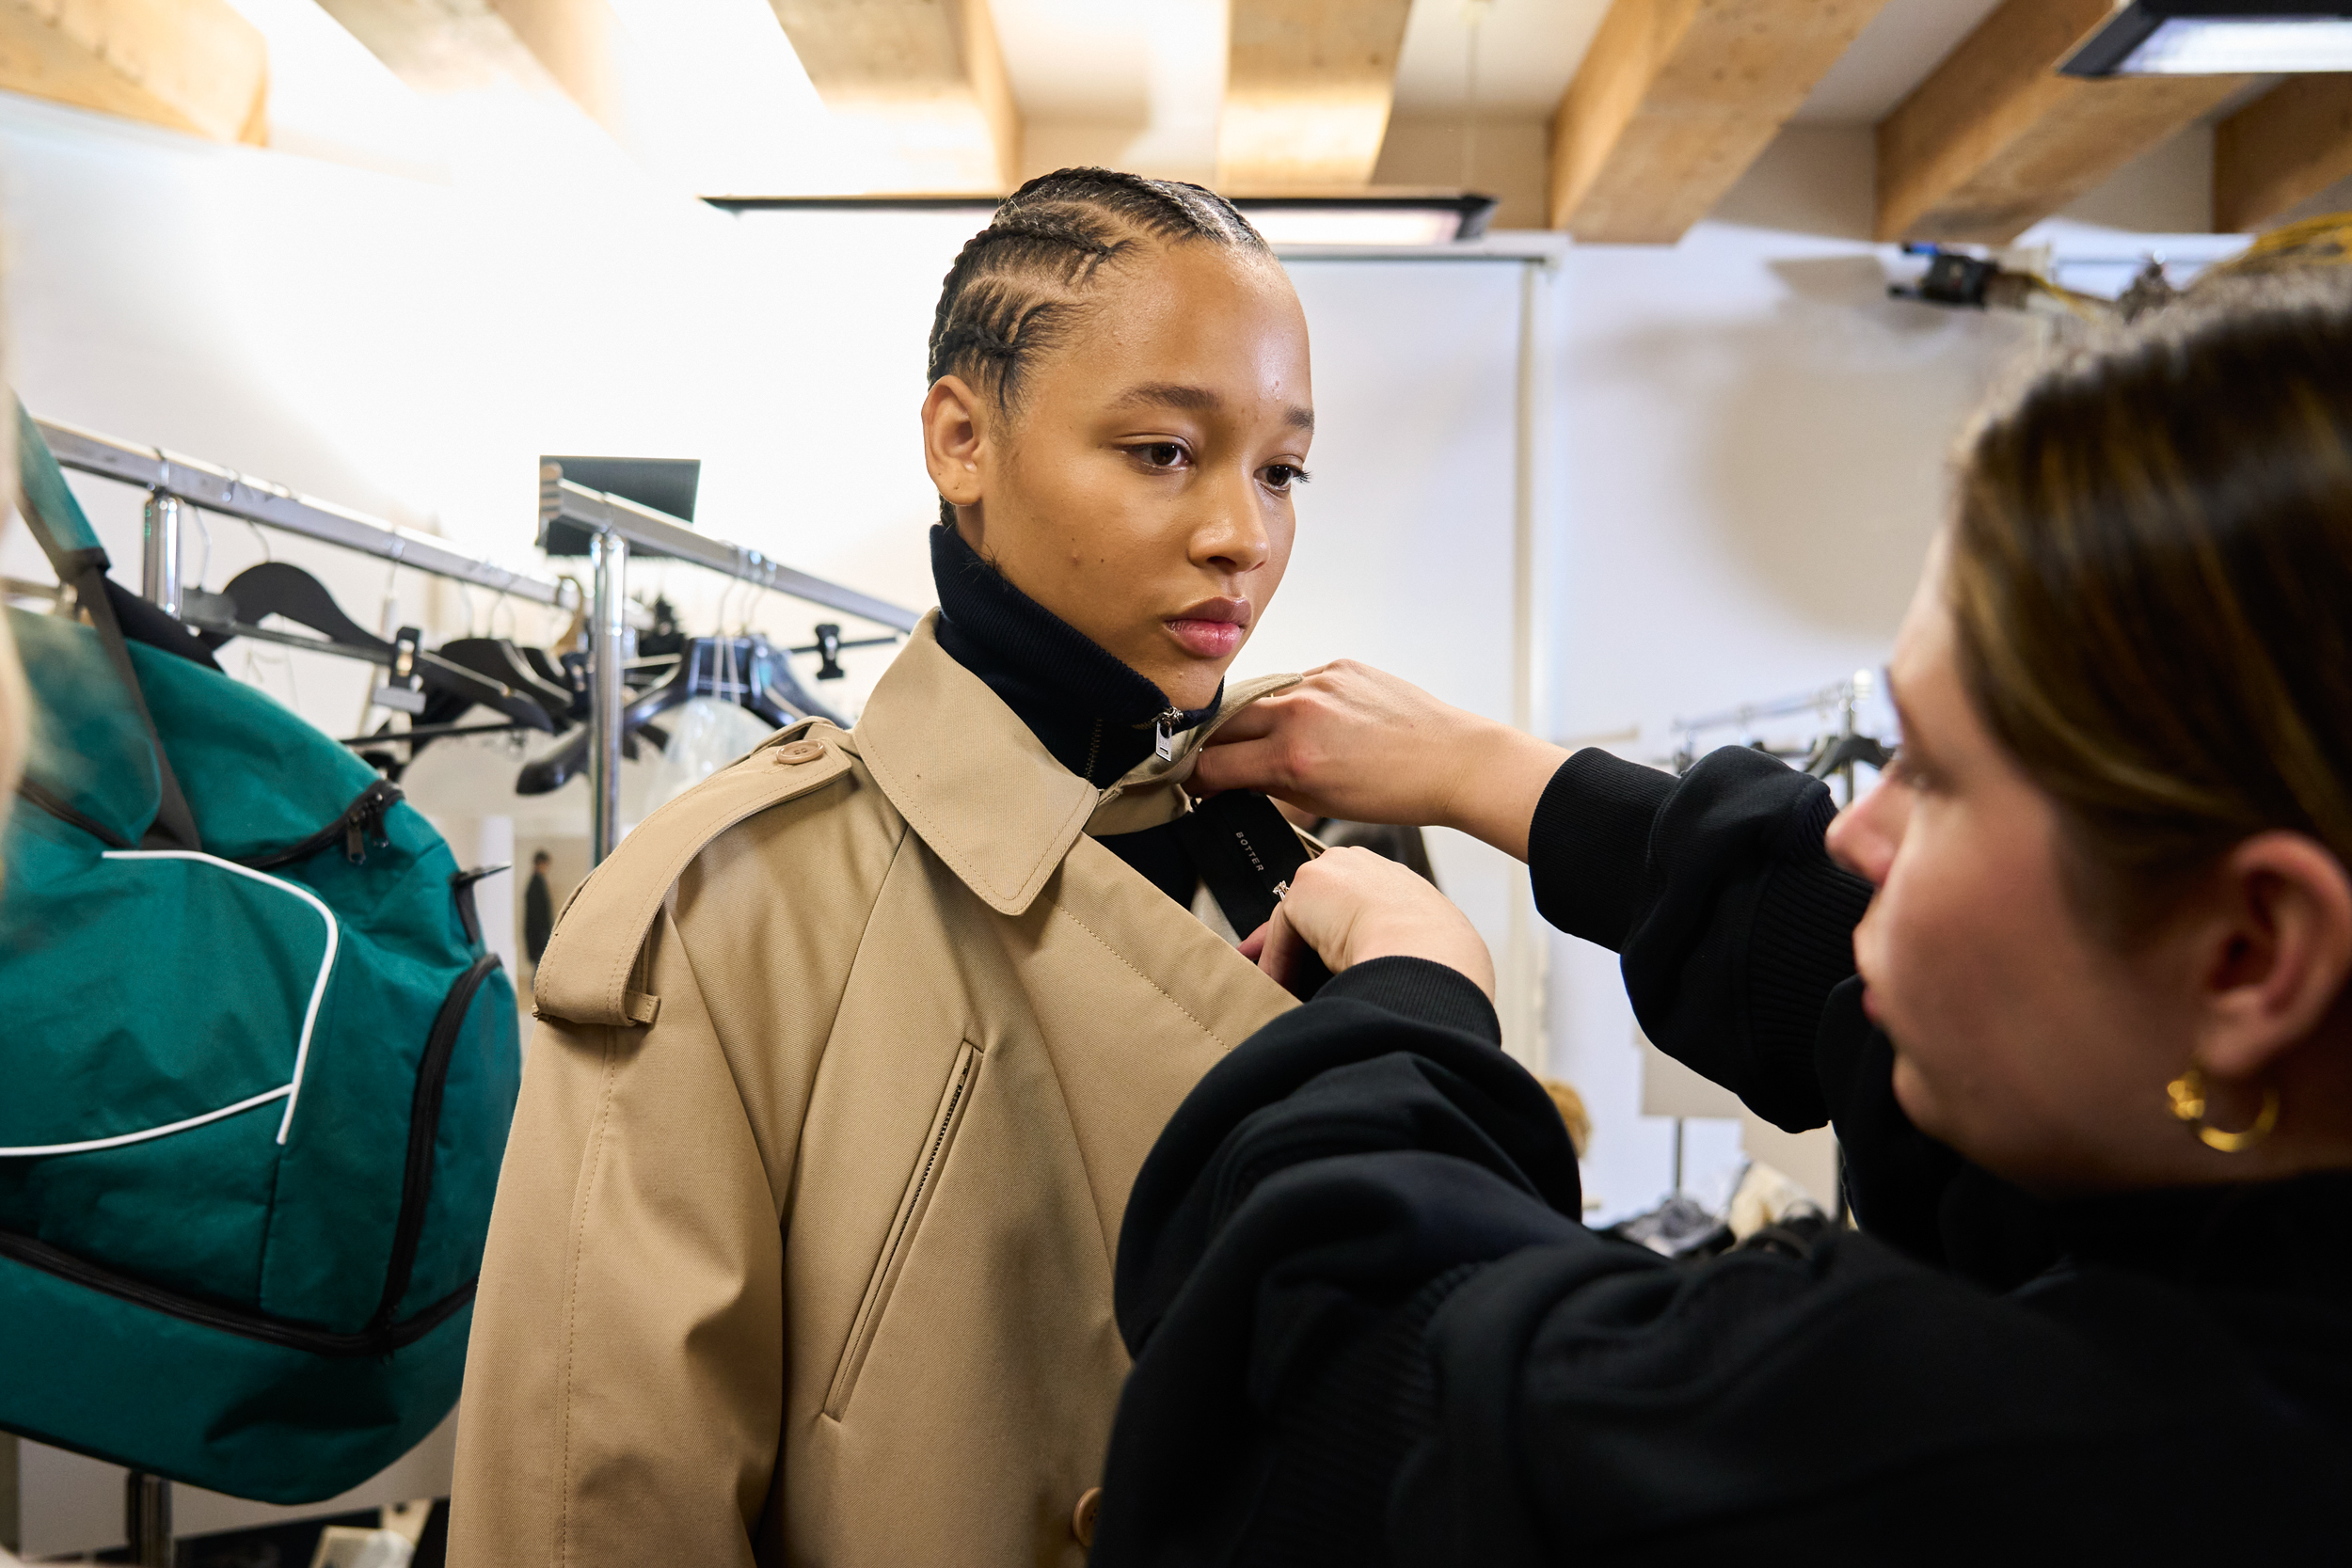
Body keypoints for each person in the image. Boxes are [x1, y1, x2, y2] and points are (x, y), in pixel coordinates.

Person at [1087, 275, 2352, 1562]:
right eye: (1159, 452)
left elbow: (1359, 1369)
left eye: (1941, 776)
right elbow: (1833, 958)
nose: (1858, 829)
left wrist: (1416, 988)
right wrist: (1495, 775)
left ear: (2253, 953)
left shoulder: (2049, 1462)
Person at [451, 169, 1319, 1568]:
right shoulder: (739, 909)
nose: (1245, 531)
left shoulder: (1310, 882)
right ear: (962, 438)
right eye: (1166, 449)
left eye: (1281, 467)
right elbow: (595, 1503)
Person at [521, 848, 554, 970]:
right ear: (540, 863)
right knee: (539, 967)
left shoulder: (539, 881)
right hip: (538, 934)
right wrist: (543, 934)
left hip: (539, 933)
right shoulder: (535, 883)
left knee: (539, 967)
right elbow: (537, 914)